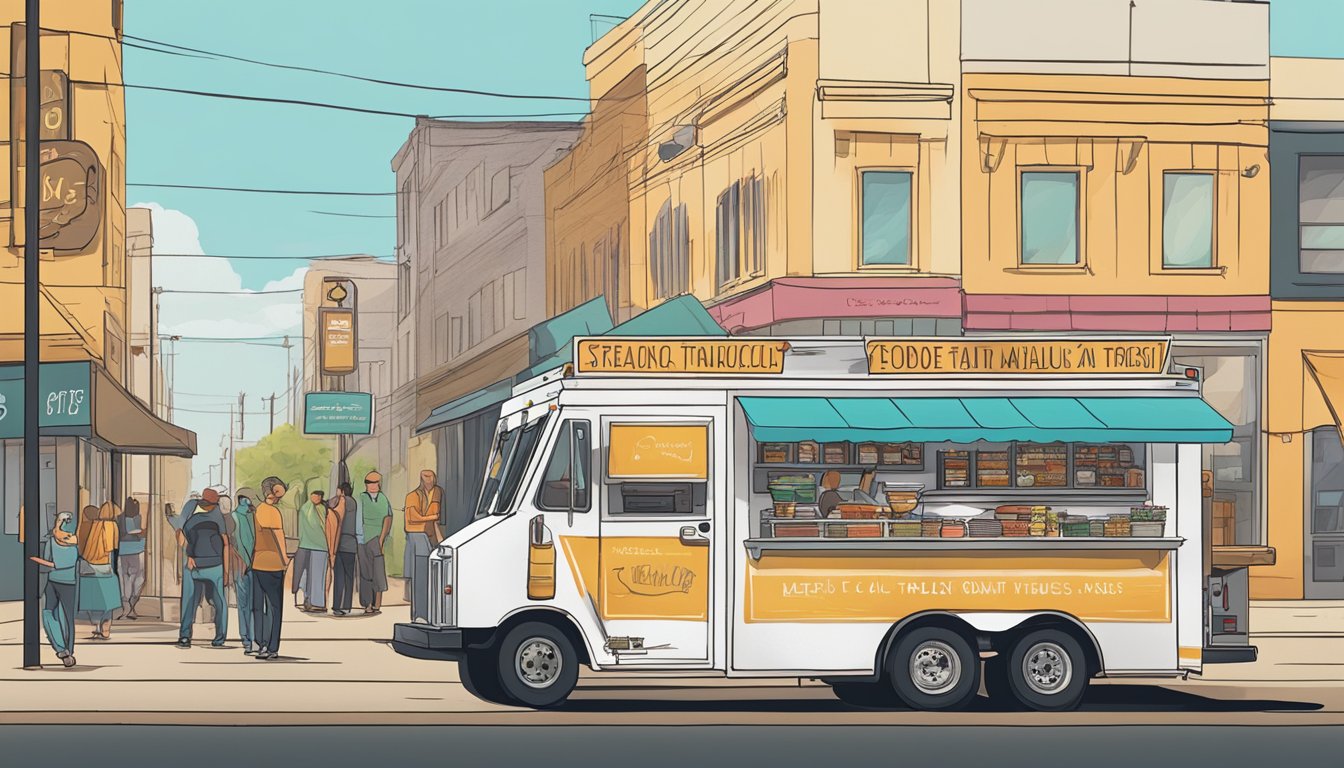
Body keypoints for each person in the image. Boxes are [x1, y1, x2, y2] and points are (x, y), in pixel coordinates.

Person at [176, 488, 231, 648]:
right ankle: (187, 636)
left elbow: (225, 543)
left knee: (204, 601)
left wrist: (226, 570)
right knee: (193, 601)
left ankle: (217, 637)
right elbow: (181, 536)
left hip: (210, 563)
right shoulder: (195, 508)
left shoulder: (204, 511)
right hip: (198, 563)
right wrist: (189, 556)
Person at [29, 511, 79, 667]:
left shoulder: (72, 544)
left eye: (60, 521)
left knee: (65, 617)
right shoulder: (54, 541)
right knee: (49, 614)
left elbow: (53, 563)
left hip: (66, 583)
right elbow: (50, 562)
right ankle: (62, 648)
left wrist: (37, 561)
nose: (57, 524)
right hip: (55, 582)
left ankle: (67, 650)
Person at [251, 476, 291, 660]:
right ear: (274, 492)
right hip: (273, 563)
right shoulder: (273, 513)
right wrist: (285, 560)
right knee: (275, 607)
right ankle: (272, 647)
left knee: (259, 607)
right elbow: (279, 538)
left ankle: (261, 644)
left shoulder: (257, 511)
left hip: (258, 563)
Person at [404, 470, 443, 624]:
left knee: (429, 576)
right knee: (419, 576)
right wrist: (431, 517)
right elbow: (414, 518)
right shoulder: (412, 496)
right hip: (417, 535)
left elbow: (436, 515)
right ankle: (420, 615)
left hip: (429, 537)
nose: (429, 479)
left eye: (431, 476)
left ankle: (427, 614)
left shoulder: (437, 492)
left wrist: (429, 518)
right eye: (426, 477)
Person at [77, 503, 121, 641]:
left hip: (88, 566)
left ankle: (96, 624)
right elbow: (112, 547)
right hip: (104, 565)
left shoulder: (83, 527)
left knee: (91, 597)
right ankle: (106, 623)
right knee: (109, 596)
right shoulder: (110, 526)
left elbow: (79, 547)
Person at [356, 471, 392, 615]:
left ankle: (377, 604)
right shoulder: (361, 498)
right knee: (365, 573)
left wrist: (382, 539)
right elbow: (358, 519)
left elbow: (388, 518)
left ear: (379, 484)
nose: (372, 485)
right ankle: (367, 604)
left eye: (375, 482)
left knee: (378, 572)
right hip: (363, 539)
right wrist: (360, 537)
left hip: (377, 539)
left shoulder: (384, 499)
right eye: (369, 482)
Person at [229, 488, 259, 655]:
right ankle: (247, 639)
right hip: (241, 565)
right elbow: (234, 542)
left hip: (252, 565)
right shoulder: (235, 517)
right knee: (245, 604)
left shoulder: (252, 516)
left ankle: (250, 639)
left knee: (250, 604)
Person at [296, 489, 329, 613]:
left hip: (315, 545)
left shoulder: (318, 508)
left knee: (314, 574)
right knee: (311, 574)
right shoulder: (307, 508)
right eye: (315, 496)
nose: (317, 498)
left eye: (319, 496)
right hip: (313, 545)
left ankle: (314, 601)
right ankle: (311, 600)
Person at [329, 482, 358, 616]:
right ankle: (347, 605)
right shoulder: (354, 502)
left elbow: (337, 517)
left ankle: (338, 606)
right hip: (352, 543)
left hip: (340, 542)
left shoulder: (341, 501)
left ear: (341, 491)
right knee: (349, 576)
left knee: (339, 575)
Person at [117, 496, 146, 620]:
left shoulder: (120, 518)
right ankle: (131, 602)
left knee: (125, 575)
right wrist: (141, 534)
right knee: (135, 575)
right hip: (136, 549)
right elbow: (139, 533)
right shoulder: (137, 517)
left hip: (123, 549)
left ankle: (126, 601)